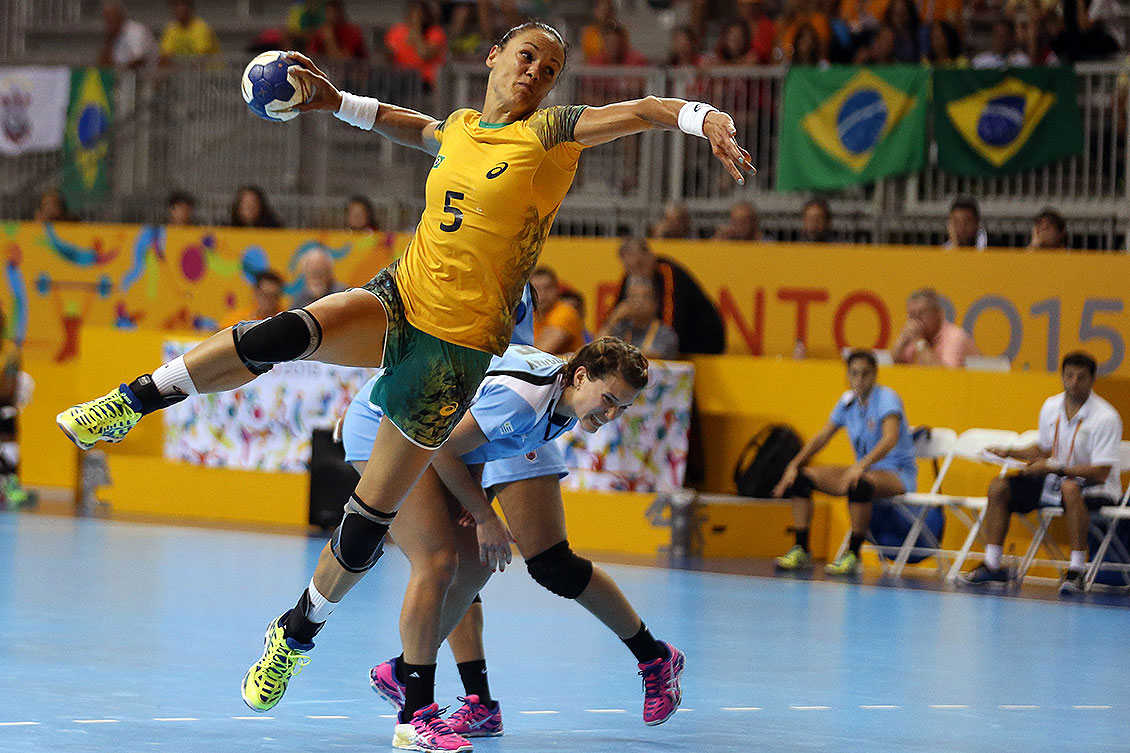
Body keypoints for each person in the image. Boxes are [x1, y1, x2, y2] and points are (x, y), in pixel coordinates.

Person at [56, 20, 749, 751]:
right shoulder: (460, 129)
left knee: (367, 524)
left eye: (549, 68)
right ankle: (132, 401)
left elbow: (642, 111)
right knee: (285, 332)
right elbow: (409, 124)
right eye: (526, 57)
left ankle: (294, 635)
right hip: (401, 298)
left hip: (452, 358)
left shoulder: (551, 136)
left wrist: (703, 118)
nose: (535, 73)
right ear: (494, 57)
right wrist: (329, 100)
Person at [345, 332, 682, 749]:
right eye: (609, 400)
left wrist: (474, 489)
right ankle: (415, 711)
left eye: (622, 408)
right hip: (387, 421)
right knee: (438, 562)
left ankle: (405, 673)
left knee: (477, 565)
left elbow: (467, 434)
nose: (611, 415)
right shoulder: (524, 401)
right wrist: (485, 515)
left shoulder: (563, 407)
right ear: (580, 376)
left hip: (433, 431)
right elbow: (445, 447)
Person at [958, 352, 1122, 594]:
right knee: (999, 487)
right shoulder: (1051, 406)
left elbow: (1100, 472)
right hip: (1056, 479)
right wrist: (1010, 453)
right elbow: (1043, 448)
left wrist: (1056, 468)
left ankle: (1077, 570)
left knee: (1070, 488)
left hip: (1096, 487)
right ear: (1062, 377)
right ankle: (993, 565)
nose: (1074, 382)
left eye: (1081, 377)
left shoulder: (1106, 417)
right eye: (1069, 376)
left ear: (1092, 380)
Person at [773, 349, 918, 575]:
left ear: (875, 374)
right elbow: (822, 436)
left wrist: (860, 465)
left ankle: (853, 554)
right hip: (864, 469)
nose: (859, 380)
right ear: (848, 375)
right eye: (854, 374)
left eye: (865, 374)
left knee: (858, 484)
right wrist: (792, 465)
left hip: (896, 473)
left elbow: (891, 438)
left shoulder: (886, 397)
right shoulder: (847, 402)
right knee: (802, 479)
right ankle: (801, 549)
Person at [614, 236, 725, 355]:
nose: (636, 272)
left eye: (640, 265)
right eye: (629, 268)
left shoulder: (667, 273)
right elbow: (617, 309)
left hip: (703, 338)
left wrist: (661, 346)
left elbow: (672, 317)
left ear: (650, 256)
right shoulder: (632, 276)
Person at [891, 287, 980, 368]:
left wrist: (920, 342)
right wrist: (902, 340)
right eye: (912, 315)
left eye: (922, 313)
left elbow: (945, 378)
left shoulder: (955, 337)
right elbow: (893, 363)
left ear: (938, 314)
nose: (916, 320)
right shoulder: (914, 335)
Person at [598, 278, 679, 360]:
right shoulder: (621, 328)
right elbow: (598, 350)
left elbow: (652, 357)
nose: (639, 302)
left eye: (645, 297)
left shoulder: (666, 334)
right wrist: (613, 319)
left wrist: (615, 353)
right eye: (633, 297)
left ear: (656, 303)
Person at [0, 310, 29, 508]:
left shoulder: (10, 352)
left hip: (2, 405)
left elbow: (7, 391)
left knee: (7, 414)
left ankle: (9, 482)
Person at [385, 1, 448, 90]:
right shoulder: (396, 31)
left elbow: (424, 55)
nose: (416, 17)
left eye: (419, 14)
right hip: (398, 75)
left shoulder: (435, 32)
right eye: (413, 13)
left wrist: (417, 33)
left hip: (423, 79)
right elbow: (388, 55)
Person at [529, 267, 585, 356]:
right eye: (536, 289)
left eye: (547, 288)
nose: (542, 294)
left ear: (557, 290)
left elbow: (540, 352)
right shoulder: (530, 314)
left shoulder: (566, 312)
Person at [98, 1, 158, 69]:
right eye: (106, 20)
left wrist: (121, 70)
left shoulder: (136, 31)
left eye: (111, 19)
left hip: (147, 75)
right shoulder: (113, 36)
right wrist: (109, 42)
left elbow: (139, 60)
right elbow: (102, 65)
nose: (108, 24)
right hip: (124, 76)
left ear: (120, 17)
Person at [158, 0, 220, 64]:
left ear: (190, 7)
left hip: (211, 72)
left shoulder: (202, 28)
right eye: (175, 5)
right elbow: (164, 57)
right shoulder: (170, 29)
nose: (179, 9)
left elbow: (201, 59)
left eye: (182, 5)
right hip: (182, 71)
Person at [221, 270, 287, 329]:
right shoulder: (237, 319)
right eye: (264, 295)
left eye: (274, 295)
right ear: (255, 293)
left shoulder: (285, 320)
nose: (268, 301)